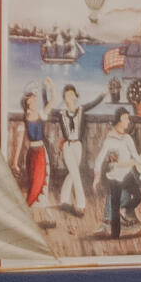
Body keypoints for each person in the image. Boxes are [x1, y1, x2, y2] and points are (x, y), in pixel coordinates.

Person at [95, 112, 141, 240]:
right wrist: (97, 176)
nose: (128, 121)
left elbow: (135, 154)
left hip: (127, 175)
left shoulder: (127, 138)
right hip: (115, 177)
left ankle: (124, 209)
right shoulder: (109, 140)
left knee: (138, 197)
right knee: (114, 206)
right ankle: (115, 235)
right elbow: (100, 159)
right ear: (119, 121)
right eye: (126, 119)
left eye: (128, 118)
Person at [51, 84, 89, 213]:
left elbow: (94, 103)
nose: (70, 97)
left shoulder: (81, 110)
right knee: (76, 175)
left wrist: (104, 93)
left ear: (76, 96)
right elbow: (47, 105)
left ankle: (64, 200)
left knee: (72, 174)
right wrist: (49, 88)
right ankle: (81, 204)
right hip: (67, 146)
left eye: (72, 94)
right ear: (64, 98)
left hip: (78, 145)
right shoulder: (61, 113)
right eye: (67, 95)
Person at [11, 90, 48, 205]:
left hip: (42, 152)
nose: (34, 104)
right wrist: (15, 162)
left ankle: (37, 208)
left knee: (42, 180)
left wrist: (49, 86)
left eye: (35, 101)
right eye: (31, 102)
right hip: (32, 154)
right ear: (27, 105)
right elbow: (19, 142)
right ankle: (28, 208)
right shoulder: (24, 122)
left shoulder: (41, 115)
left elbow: (51, 102)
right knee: (34, 183)